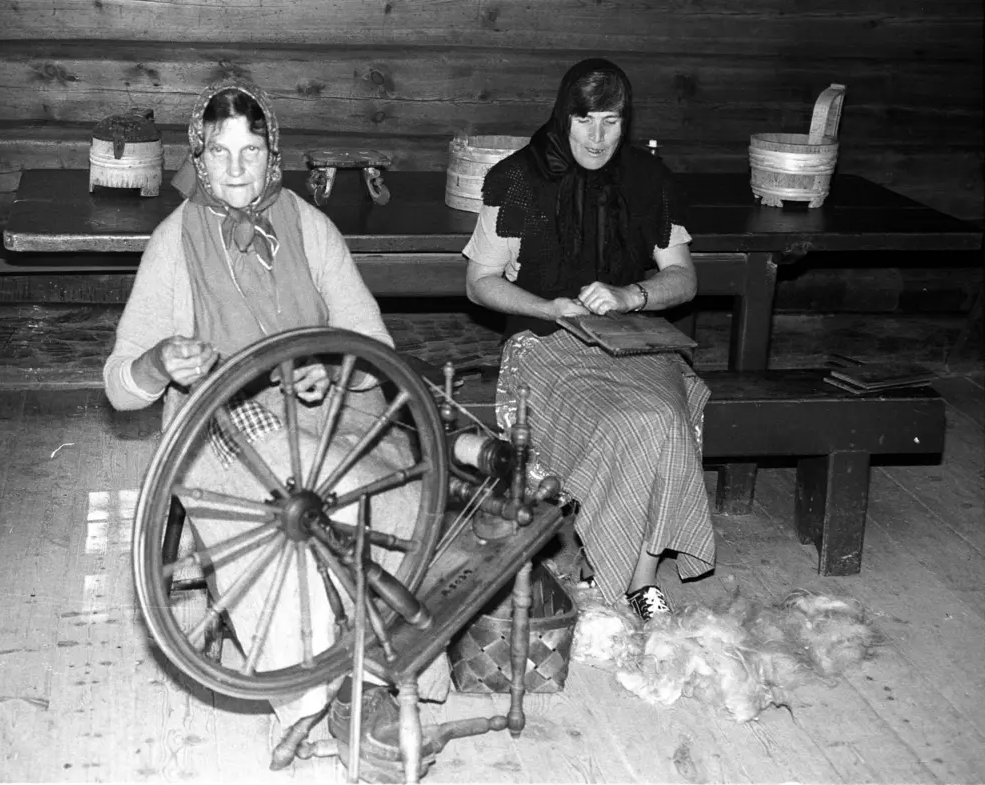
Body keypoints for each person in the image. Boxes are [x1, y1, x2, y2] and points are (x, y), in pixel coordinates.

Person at [102, 78, 448, 766]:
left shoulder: (310, 227)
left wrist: (332, 364)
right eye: (220, 152)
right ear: (199, 160)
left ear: (273, 156)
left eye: (251, 151)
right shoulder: (172, 243)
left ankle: (380, 671)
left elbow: (374, 345)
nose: (236, 169)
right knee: (290, 522)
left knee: (379, 501)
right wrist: (159, 361)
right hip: (223, 421)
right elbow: (119, 388)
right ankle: (314, 691)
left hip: (327, 408)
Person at [462, 58, 715, 622]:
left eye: (610, 121)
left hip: (634, 339)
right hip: (545, 339)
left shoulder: (648, 179)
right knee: (626, 422)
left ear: (626, 122)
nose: (597, 138)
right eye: (584, 121)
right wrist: (548, 306)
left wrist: (631, 295)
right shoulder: (517, 179)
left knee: (663, 417)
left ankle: (639, 577)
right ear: (563, 117)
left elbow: (683, 277)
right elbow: (480, 283)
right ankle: (613, 563)